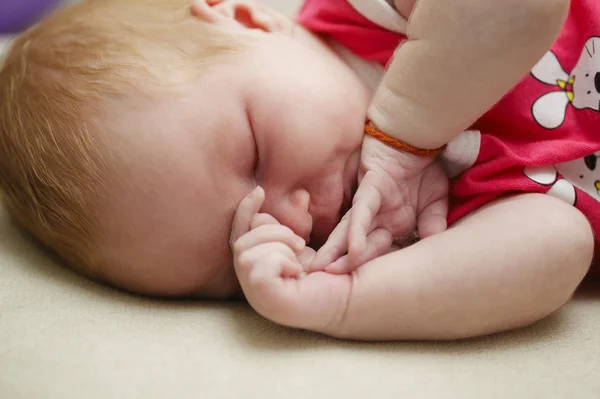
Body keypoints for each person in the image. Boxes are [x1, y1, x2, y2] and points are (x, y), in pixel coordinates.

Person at [0, 0, 593, 341]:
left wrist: (404, 133)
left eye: (255, 153)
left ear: (248, 21)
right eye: (238, 250)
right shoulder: (409, 239)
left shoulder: (375, 13)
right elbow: (562, 247)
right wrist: (342, 301)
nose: (289, 218)